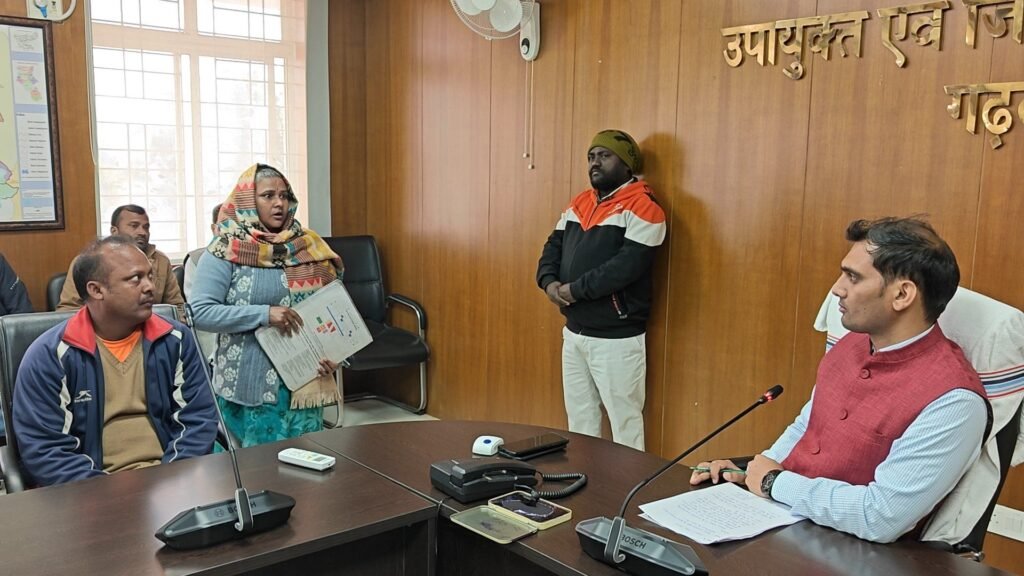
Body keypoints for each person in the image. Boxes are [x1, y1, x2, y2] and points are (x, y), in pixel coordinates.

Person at [690, 217, 991, 543]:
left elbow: (880, 517)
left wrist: (774, 482)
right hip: (784, 523)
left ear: (902, 294)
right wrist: (753, 473)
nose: (837, 288)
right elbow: (807, 428)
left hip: (850, 552)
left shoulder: (955, 401)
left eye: (853, 277)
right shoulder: (851, 344)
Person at [12, 236, 218, 487]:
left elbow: (198, 421)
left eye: (150, 276)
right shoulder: (49, 356)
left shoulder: (176, 339)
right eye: (135, 279)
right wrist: (109, 494)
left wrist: (170, 483)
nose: (150, 287)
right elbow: (46, 450)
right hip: (91, 492)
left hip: (172, 479)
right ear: (96, 290)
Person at [191, 164, 343, 447]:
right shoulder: (225, 249)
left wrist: (335, 353)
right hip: (250, 386)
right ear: (248, 201)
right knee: (258, 468)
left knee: (307, 462)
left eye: (284, 196)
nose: (279, 203)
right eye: (268, 195)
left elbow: (332, 308)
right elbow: (200, 312)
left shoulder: (307, 246)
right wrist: (263, 314)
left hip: (304, 382)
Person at [536, 129, 666, 451]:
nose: (595, 163)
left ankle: (630, 482)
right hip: (574, 333)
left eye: (604, 156)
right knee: (580, 421)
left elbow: (625, 268)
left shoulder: (645, 207)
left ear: (627, 164)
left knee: (625, 423)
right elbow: (553, 246)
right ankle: (586, 478)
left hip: (616, 338)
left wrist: (575, 291)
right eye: (591, 157)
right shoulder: (579, 203)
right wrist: (548, 282)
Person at [57, 204, 185, 313]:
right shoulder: (88, 261)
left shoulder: (161, 261)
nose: (142, 232)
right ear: (114, 231)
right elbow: (68, 309)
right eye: (134, 226)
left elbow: (177, 308)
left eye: (146, 227)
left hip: (151, 327)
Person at [183, 202, 222, 359]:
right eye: (225, 225)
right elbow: (199, 310)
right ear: (214, 229)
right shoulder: (197, 259)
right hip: (211, 337)